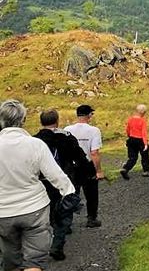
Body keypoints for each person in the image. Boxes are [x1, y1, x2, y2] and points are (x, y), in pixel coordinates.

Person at [0, 100, 77, 271]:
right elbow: (55, 175)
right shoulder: (35, 145)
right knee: (34, 261)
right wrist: (69, 192)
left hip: (3, 212)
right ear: (23, 119)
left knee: (10, 259)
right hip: (34, 208)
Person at [34, 109, 92, 261]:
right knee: (65, 211)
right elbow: (80, 156)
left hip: (42, 181)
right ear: (57, 121)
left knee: (47, 210)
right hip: (64, 178)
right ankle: (57, 244)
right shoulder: (66, 137)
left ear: (41, 122)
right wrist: (87, 171)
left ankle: (41, 242)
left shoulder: (35, 140)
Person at [64, 104, 104, 228]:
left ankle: (66, 223)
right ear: (89, 115)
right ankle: (91, 219)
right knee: (91, 194)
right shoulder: (94, 130)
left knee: (70, 193)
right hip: (87, 165)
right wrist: (99, 170)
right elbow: (94, 152)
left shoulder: (67, 129)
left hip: (72, 166)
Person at [120, 104, 149, 180]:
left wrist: (129, 136)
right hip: (140, 140)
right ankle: (146, 171)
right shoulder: (142, 121)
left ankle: (125, 169)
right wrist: (146, 144)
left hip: (131, 139)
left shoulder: (130, 119)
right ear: (143, 112)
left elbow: (127, 129)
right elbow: (144, 133)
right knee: (145, 156)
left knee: (132, 157)